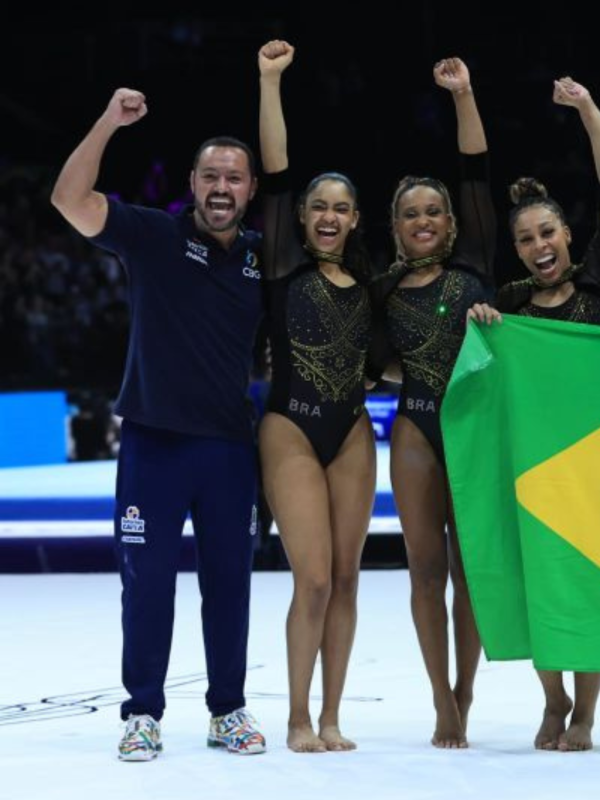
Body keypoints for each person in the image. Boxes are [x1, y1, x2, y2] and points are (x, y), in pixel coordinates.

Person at [51, 89, 266, 760]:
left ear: (251, 188)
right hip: (152, 445)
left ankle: (227, 710)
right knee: (147, 583)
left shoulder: (266, 258)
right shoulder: (153, 235)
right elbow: (68, 199)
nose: (222, 187)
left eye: (234, 177)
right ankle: (142, 711)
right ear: (193, 185)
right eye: (211, 176)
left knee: (229, 585)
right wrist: (109, 122)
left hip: (231, 450)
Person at [467, 76, 600, 751]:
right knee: (541, 587)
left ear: (568, 234)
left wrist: (589, 108)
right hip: (535, 467)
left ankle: (585, 712)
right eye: (527, 238)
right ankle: (554, 698)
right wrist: (482, 325)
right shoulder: (510, 307)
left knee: (586, 588)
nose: (539, 246)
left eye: (548, 233)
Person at [258, 40, 377, 753]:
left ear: (356, 220)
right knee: (313, 578)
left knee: (348, 579)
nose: (329, 216)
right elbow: (273, 172)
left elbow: (398, 363)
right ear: (302, 219)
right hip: (291, 428)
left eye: (341, 208)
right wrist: (270, 81)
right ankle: (298, 717)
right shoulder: (281, 263)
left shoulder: (371, 289)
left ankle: (333, 717)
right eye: (318, 207)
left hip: (354, 431)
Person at [374, 56, 495, 749]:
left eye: (432, 211)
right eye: (410, 214)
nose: (423, 221)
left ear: (450, 221)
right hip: (418, 425)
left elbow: (476, 169)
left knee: (469, 568)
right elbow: (373, 363)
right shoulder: (384, 289)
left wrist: (465, 96)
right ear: (396, 227)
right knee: (424, 570)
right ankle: (439, 702)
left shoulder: (475, 262)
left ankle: (467, 691)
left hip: (474, 426)